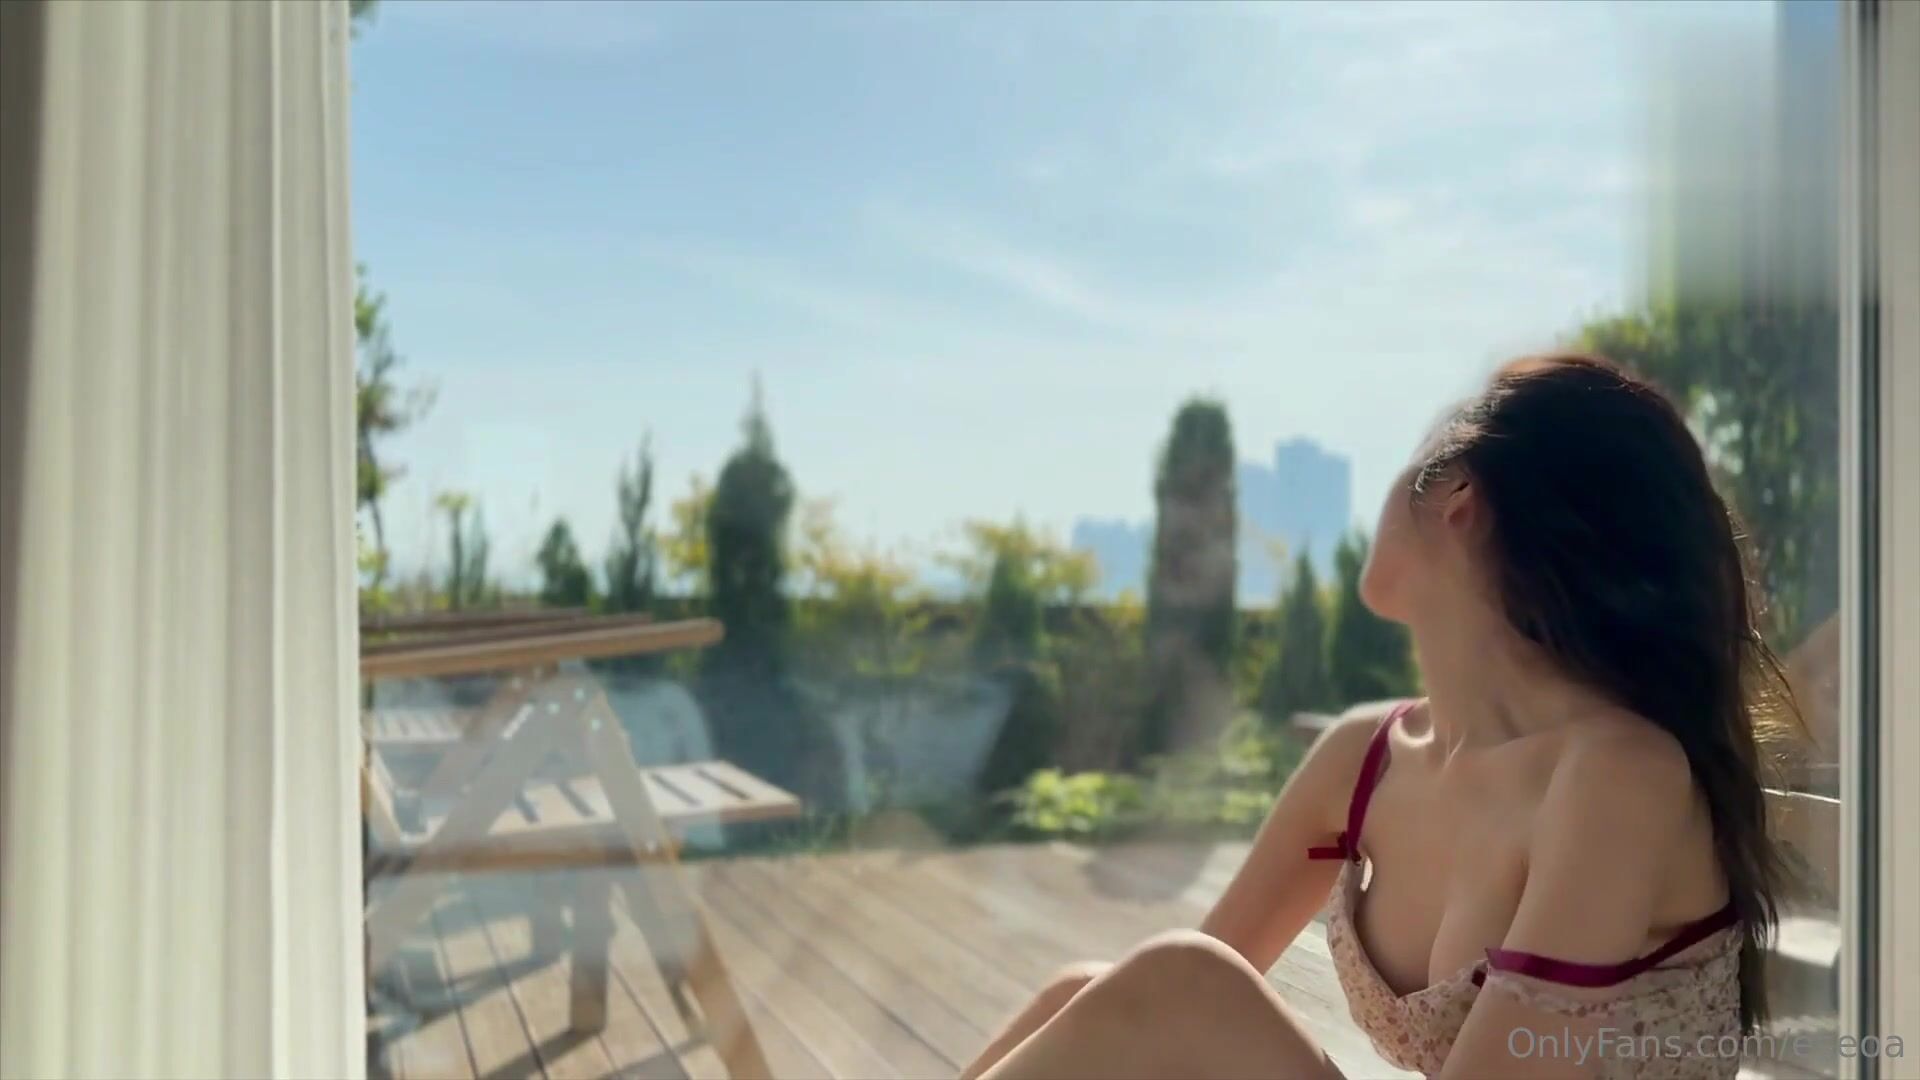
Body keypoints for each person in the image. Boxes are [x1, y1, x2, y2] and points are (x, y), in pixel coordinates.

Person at [961, 354, 1796, 1079]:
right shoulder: (1364, 760)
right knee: (1088, 991)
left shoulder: (1617, 774)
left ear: (1459, 495)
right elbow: (1173, 1025)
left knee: (1181, 977)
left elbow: (1191, 991)